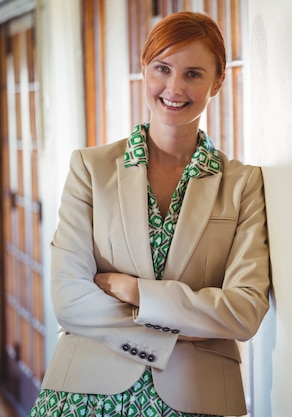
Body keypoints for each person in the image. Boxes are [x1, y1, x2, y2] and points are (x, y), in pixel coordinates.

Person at [29, 11, 270, 417]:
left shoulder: (242, 184)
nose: (174, 87)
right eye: (163, 68)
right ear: (144, 69)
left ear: (218, 82)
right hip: (85, 394)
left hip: (200, 397)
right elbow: (69, 299)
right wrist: (183, 326)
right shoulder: (90, 168)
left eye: (193, 73)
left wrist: (136, 291)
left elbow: (243, 313)